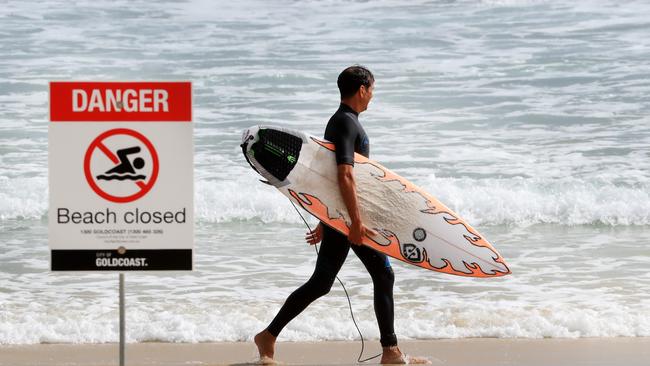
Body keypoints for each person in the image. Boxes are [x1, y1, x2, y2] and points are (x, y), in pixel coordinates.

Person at [254, 65, 429, 364]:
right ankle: (391, 351)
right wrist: (355, 223)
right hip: (351, 217)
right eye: (372, 90)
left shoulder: (341, 122)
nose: (372, 96)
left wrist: (327, 219)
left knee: (324, 282)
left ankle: (268, 336)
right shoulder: (347, 124)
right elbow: (344, 175)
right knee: (382, 274)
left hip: (342, 215)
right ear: (362, 89)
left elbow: (327, 179)